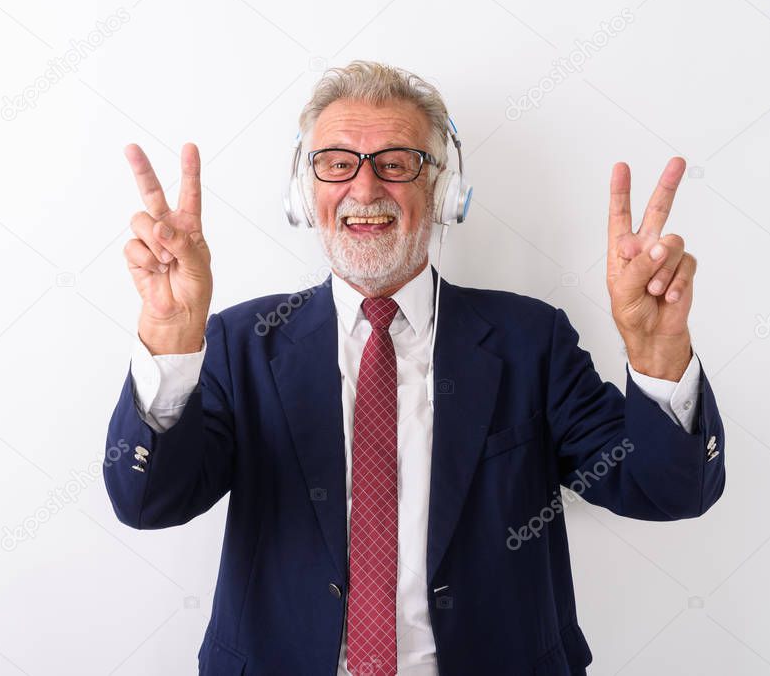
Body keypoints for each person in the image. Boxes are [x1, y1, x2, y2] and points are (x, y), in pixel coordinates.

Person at [103, 60, 725, 675]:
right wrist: (170, 337)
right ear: (305, 191)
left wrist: (656, 345)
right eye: (337, 162)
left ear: (442, 189)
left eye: (396, 162)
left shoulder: (530, 341)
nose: (365, 190)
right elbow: (148, 501)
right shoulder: (242, 344)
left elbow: (666, 491)